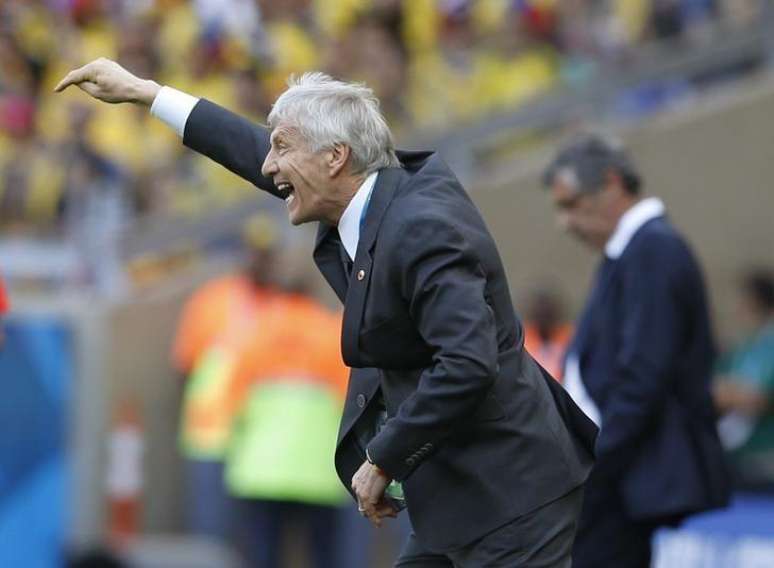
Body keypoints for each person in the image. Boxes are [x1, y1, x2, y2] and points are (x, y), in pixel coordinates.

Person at [56, 58, 597, 567]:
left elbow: (468, 362)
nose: (269, 166)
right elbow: (254, 154)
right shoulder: (362, 193)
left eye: (282, 148)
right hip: (459, 496)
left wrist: (385, 457)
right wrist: (148, 94)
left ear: (335, 157)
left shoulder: (421, 227)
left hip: (515, 494)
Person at [542, 134, 730, 568]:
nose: (565, 223)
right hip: (614, 474)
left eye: (571, 204)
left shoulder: (654, 250)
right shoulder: (630, 253)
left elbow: (644, 375)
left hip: (618, 476)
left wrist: (596, 462)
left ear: (611, 183)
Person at [170, 215, 279, 540]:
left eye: (265, 254)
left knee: (255, 541)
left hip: (262, 441)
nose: (257, 260)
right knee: (211, 533)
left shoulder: (280, 305)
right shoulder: (211, 299)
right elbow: (185, 365)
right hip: (212, 435)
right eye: (251, 252)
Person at [714, 268, 774, 492]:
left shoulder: (770, 347)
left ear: (755, 302)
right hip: (738, 455)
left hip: (765, 457)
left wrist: (729, 395)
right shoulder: (744, 348)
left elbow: (758, 398)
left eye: (742, 299)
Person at [522, 288, 573, 382]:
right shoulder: (522, 340)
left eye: (547, 314)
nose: (544, 319)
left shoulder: (569, 338)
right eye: (540, 314)